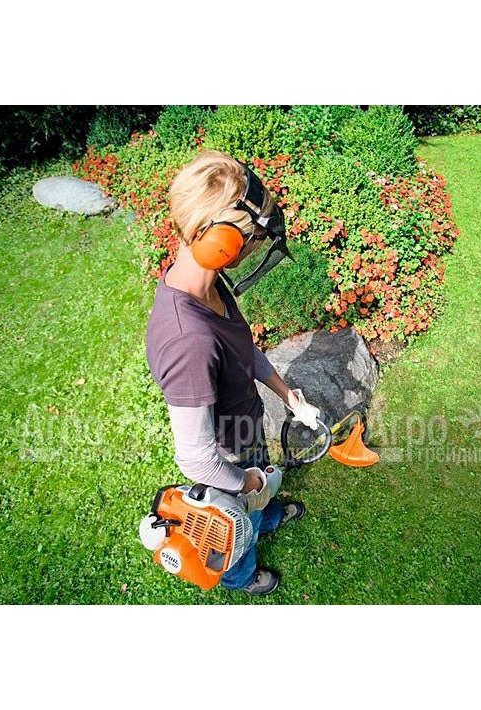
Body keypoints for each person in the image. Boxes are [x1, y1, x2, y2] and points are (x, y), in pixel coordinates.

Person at [145, 150, 320, 596]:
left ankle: (267, 514)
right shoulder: (188, 341)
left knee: (259, 499)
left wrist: (286, 394)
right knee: (236, 525)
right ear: (222, 242)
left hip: (247, 428)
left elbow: (242, 349)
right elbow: (196, 458)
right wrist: (250, 481)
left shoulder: (206, 281)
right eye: (256, 237)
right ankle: (241, 575)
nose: (259, 245)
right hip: (229, 456)